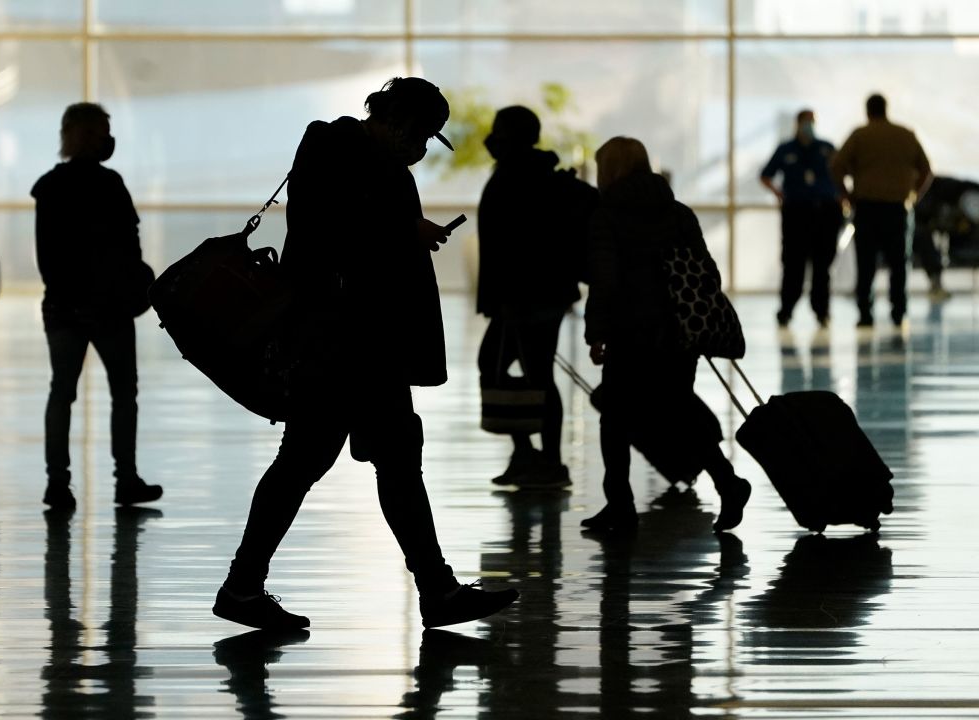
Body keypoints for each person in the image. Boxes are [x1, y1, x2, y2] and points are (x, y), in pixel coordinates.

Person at [213, 77, 519, 631]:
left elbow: (344, 226)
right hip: (344, 338)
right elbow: (333, 229)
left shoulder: (356, 161)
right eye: (422, 135)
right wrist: (406, 229)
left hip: (353, 339)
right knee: (364, 458)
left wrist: (406, 229)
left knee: (339, 459)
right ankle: (434, 590)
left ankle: (247, 586)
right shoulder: (334, 148)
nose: (422, 149)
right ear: (398, 121)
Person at [583, 137, 751, 534]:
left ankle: (620, 505)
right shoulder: (677, 212)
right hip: (679, 332)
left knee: (616, 417)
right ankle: (727, 482)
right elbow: (707, 272)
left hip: (630, 332)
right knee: (678, 411)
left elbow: (603, 280)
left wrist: (597, 331)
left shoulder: (607, 215)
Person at [32, 103, 162, 511]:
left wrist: (74, 299)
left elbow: (49, 259)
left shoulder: (50, 188)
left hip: (66, 310)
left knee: (62, 393)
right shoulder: (111, 185)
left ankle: (58, 484)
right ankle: (125, 479)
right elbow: (130, 246)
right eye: (100, 131)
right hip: (111, 310)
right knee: (123, 394)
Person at [476, 105, 598, 487]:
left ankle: (543, 460)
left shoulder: (521, 177)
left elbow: (516, 246)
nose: (491, 138)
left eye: (498, 130)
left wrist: (505, 298)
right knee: (533, 373)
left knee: (530, 373)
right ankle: (535, 456)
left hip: (527, 298)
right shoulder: (534, 173)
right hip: (540, 295)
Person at [830, 94, 933, 327]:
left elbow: (836, 167)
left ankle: (865, 313)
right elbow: (926, 170)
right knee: (899, 263)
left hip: (867, 208)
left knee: (866, 264)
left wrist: (846, 196)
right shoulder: (906, 135)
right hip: (898, 209)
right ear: (886, 109)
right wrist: (914, 195)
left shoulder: (860, 135)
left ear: (867, 111)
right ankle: (899, 311)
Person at [760, 109, 843, 327]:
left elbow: (842, 173)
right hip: (797, 212)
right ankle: (786, 310)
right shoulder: (786, 149)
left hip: (824, 211)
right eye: (806, 122)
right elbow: (766, 175)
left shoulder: (826, 148)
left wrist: (842, 197)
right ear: (797, 124)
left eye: (812, 122)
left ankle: (822, 311)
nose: (809, 126)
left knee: (822, 265)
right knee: (793, 264)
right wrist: (779, 194)